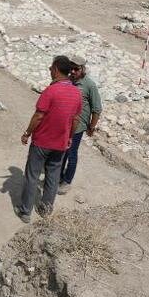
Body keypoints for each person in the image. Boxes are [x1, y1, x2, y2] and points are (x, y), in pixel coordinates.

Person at [15, 56, 82, 223]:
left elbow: (38, 116)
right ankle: (45, 210)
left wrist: (27, 133)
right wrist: (70, 138)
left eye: (51, 67)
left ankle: (25, 212)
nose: (49, 70)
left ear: (57, 69)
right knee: (53, 176)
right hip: (60, 144)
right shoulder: (76, 93)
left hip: (42, 141)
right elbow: (76, 119)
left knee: (32, 175)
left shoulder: (50, 91)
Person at [59, 55, 103, 195]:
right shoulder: (68, 81)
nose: (73, 71)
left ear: (83, 69)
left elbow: (97, 108)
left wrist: (92, 126)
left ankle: (67, 180)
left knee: (71, 153)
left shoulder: (89, 85)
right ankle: (57, 177)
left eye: (76, 69)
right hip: (64, 123)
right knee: (61, 151)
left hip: (78, 126)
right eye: (71, 68)